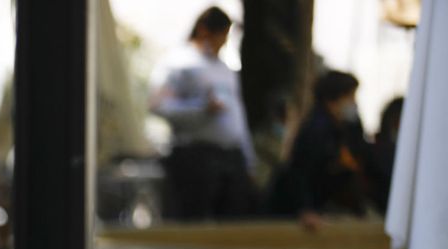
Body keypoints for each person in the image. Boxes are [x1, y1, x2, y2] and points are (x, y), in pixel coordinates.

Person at [149, 7, 258, 220]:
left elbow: (238, 114)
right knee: (194, 223)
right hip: (195, 157)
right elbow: (157, 105)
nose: (223, 43)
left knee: (232, 225)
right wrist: (200, 110)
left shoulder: (225, 68)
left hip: (231, 158)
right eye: (220, 36)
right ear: (203, 30)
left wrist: (248, 159)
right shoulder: (178, 62)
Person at [267, 70, 372, 228]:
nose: (353, 103)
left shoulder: (345, 129)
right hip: (288, 212)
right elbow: (300, 173)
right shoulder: (316, 129)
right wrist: (306, 210)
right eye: (349, 97)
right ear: (332, 100)